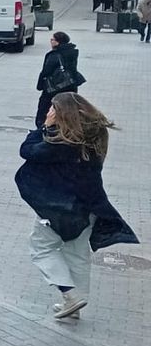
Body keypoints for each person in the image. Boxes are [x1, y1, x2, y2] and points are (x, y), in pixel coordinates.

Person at [15, 93, 138, 319]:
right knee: (77, 253)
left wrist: (41, 129)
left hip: (59, 208)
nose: (48, 112)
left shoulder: (60, 143)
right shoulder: (94, 136)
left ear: (63, 113)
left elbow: (27, 151)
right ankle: (75, 305)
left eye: (53, 109)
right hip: (89, 206)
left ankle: (70, 295)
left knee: (41, 248)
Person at [34, 31, 84, 129]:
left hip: (54, 88)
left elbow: (46, 71)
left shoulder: (54, 55)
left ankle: (44, 129)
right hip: (70, 86)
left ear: (58, 42)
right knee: (67, 110)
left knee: (45, 110)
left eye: (52, 39)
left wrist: (40, 86)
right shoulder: (72, 52)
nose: (50, 41)